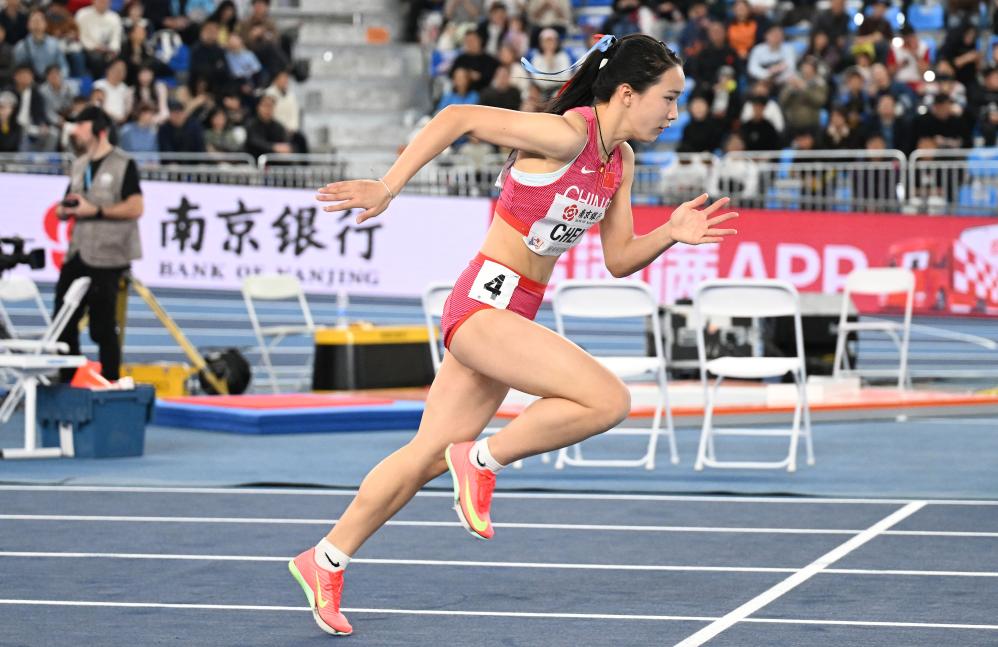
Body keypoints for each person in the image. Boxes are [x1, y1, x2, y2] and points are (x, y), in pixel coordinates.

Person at [295, 33, 739, 637]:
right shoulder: (566, 136)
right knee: (607, 400)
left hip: (512, 314)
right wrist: (389, 186)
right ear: (627, 94)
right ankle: (482, 458)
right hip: (482, 304)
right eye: (668, 98)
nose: (674, 113)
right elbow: (457, 117)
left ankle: (325, 559)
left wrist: (669, 233)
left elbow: (618, 258)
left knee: (424, 456)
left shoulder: (620, 162)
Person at [55, 106, 143, 382]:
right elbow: (67, 201)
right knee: (62, 321)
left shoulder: (123, 163)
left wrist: (97, 211)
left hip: (109, 255)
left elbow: (136, 206)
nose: (76, 131)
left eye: (81, 125)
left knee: (102, 327)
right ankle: (67, 379)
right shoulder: (79, 164)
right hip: (78, 251)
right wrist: (64, 210)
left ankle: (111, 381)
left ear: (97, 129)